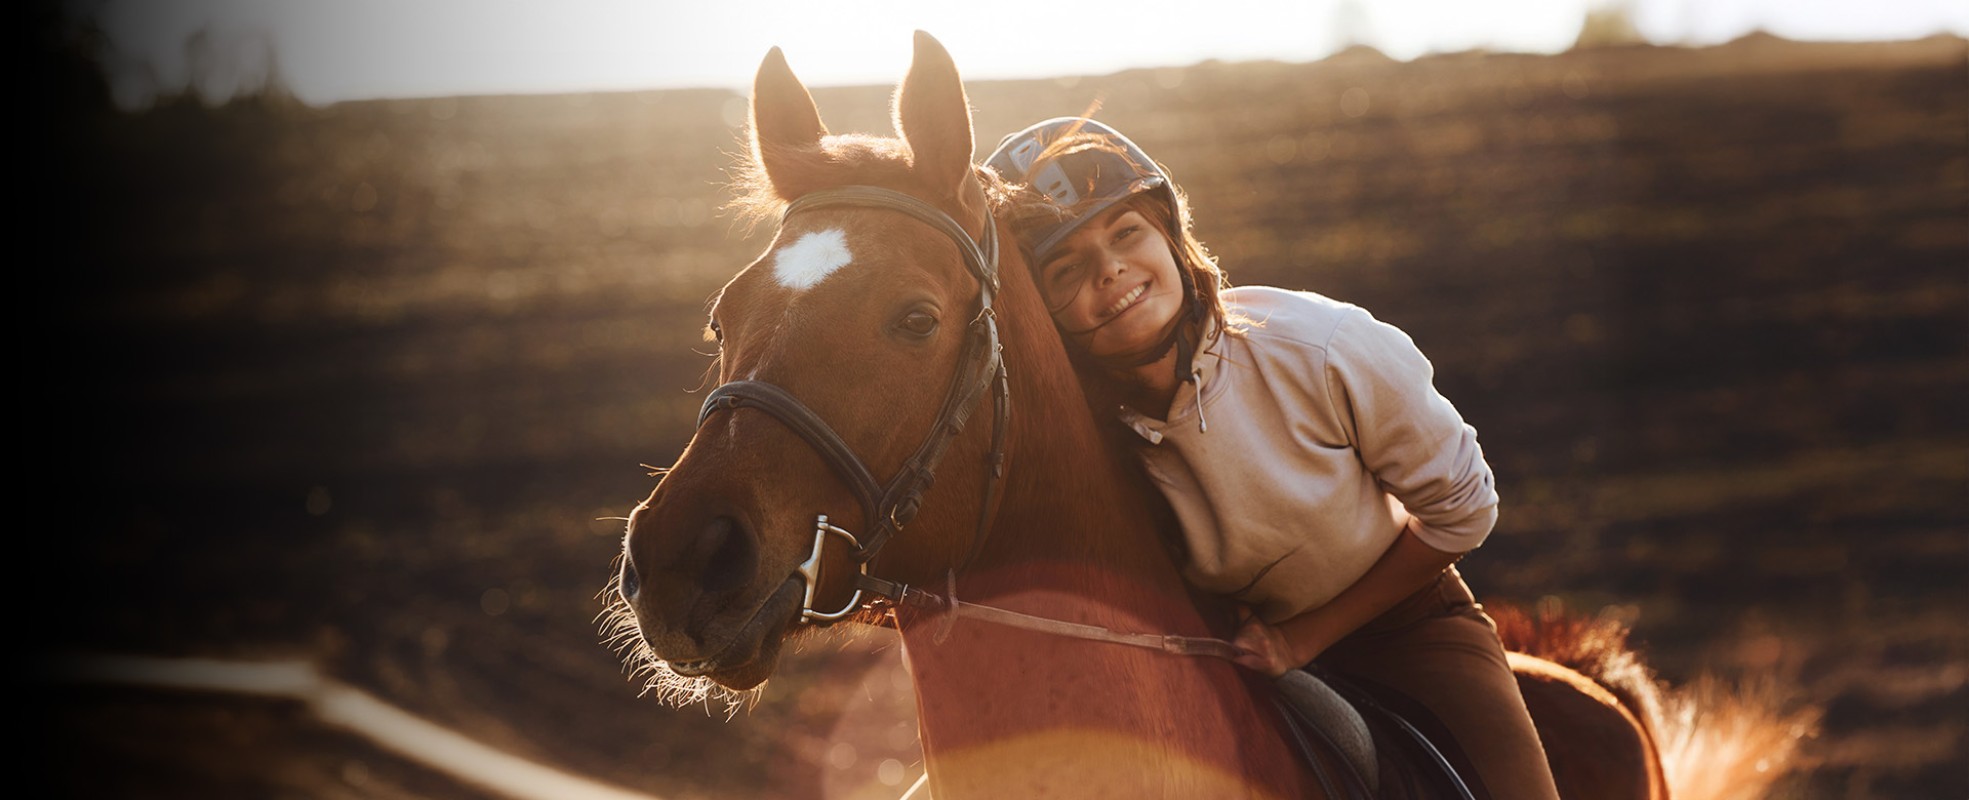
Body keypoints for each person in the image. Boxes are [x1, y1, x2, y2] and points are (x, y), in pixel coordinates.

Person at [985, 118, 1562, 800]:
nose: (1108, 270)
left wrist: (1301, 638)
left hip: (1406, 625)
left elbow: (1464, 511)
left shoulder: (1319, 347)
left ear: (1170, 235)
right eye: (1065, 267)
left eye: (1126, 233)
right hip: (1222, 655)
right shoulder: (1077, 436)